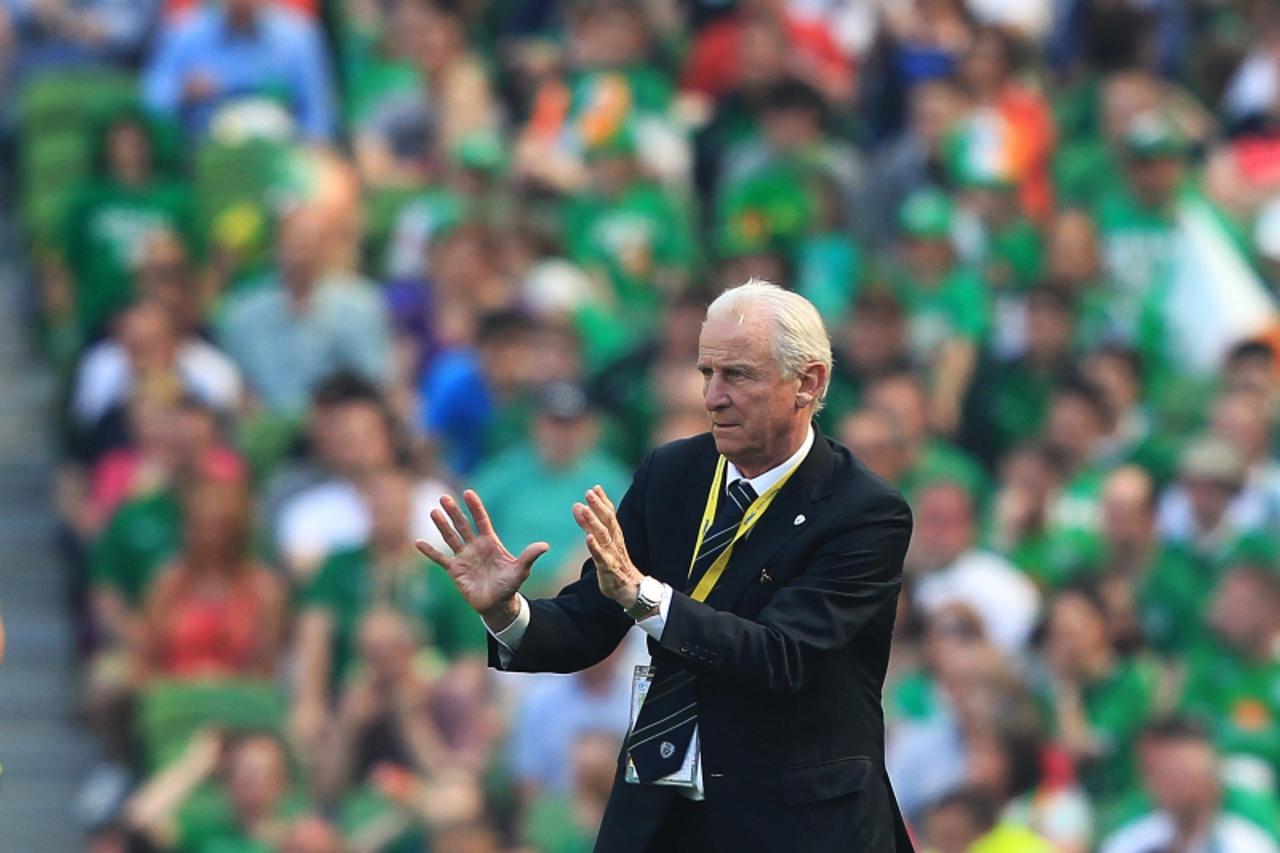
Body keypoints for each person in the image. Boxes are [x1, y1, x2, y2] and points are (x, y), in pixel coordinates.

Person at [416, 280, 914, 851]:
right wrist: (508, 610)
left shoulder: (864, 511)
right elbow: (591, 619)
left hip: (798, 823)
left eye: (739, 375)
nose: (713, 397)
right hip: (661, 808)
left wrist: (644, 596)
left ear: (809, 383)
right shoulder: (672, 472)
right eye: (707, 373)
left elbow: (782, 656)